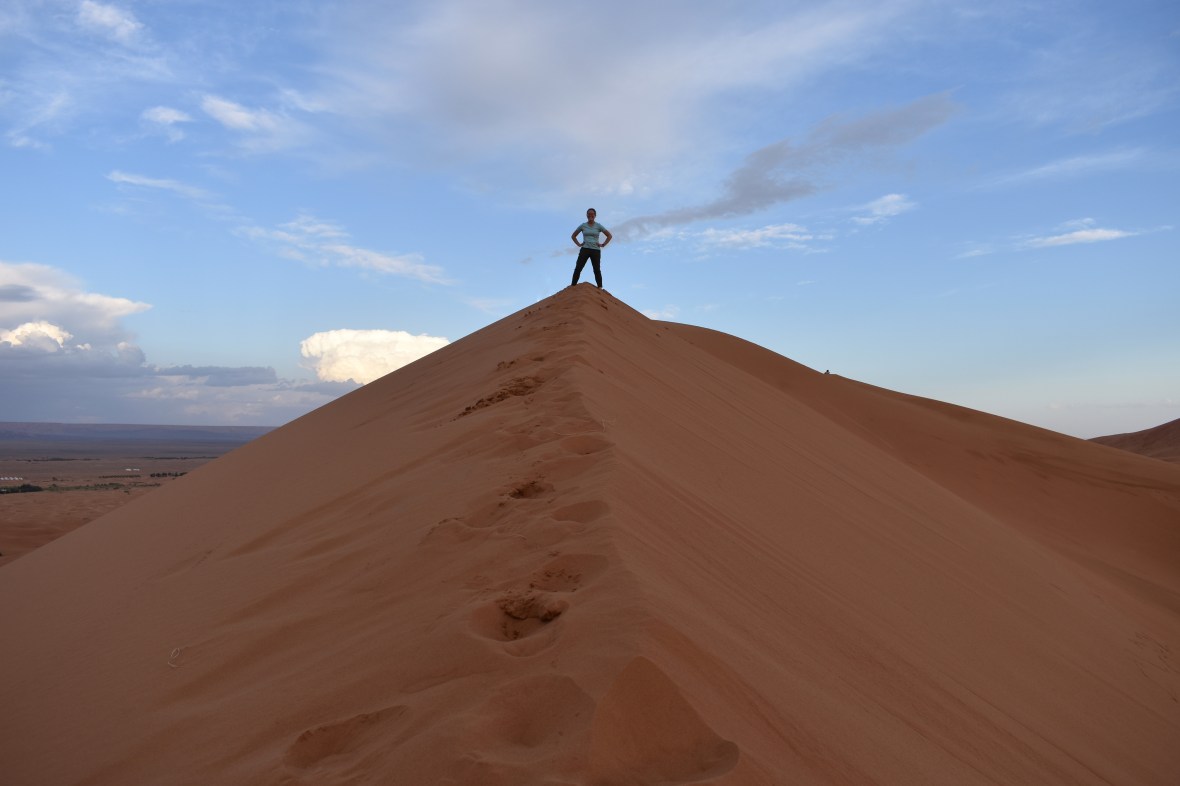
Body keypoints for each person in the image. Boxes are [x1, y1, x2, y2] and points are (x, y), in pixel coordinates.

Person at [570, 208, 613, 288]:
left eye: (592, 214)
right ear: (587, 215)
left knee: (596, 269)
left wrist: (603, 244)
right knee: (578, 267)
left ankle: (600, 288)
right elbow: (573, 236)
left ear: (595, 215)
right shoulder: (583, 225)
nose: (590, 215)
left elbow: (609, 236)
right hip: (585, 249)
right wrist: (579, 244)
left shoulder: (598, 226)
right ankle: (573, 286)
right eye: (589, 214)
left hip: (595, 250)